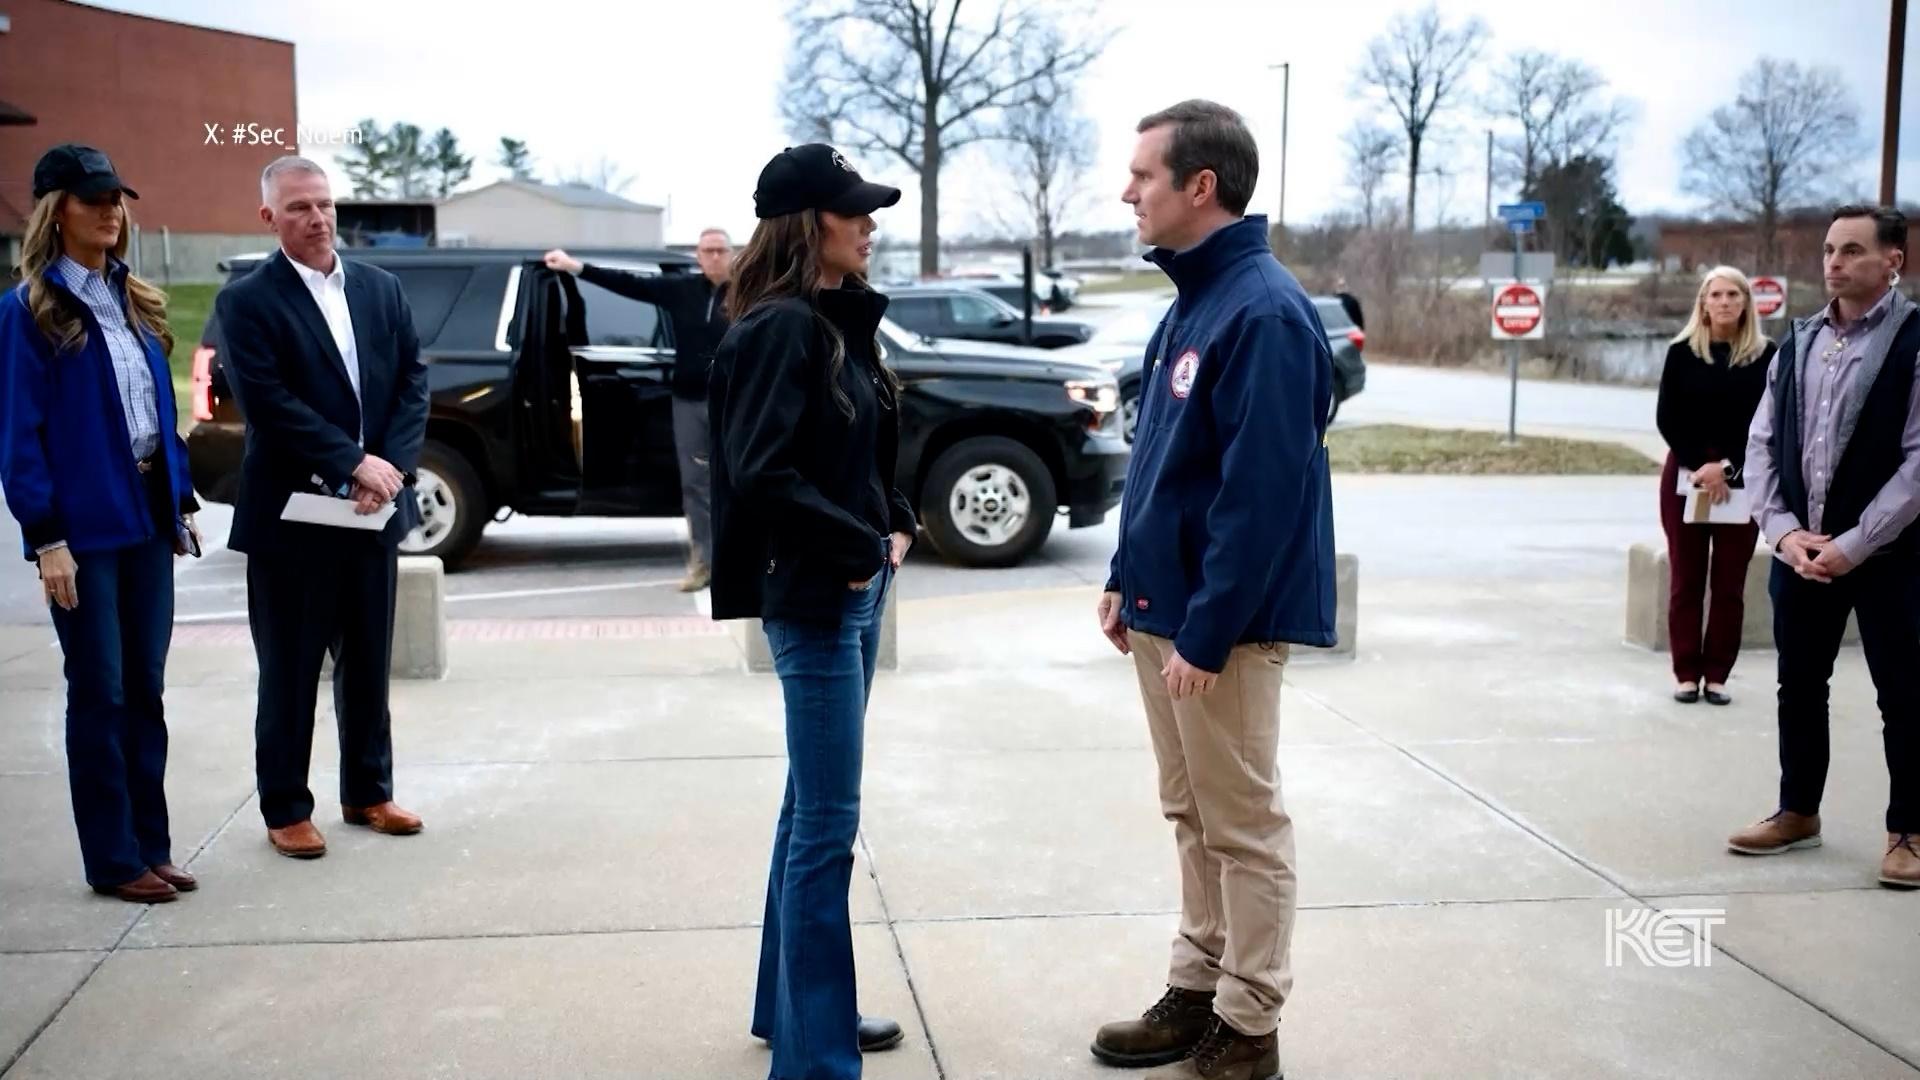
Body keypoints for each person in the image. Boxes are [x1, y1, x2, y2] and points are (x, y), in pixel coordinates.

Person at [1091, 101, 1336, 1080]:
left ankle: (1249, 1026)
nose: (1127, 191)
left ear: (1202, 185)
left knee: (1243, 826)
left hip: (1215, 632)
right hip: (1165, 613)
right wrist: (1123, 576)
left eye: (1143, 174)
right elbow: (1162, 459)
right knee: (1192, 816)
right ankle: (1196, 989)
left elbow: (1261, 499)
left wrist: (1206, 630)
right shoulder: (1193, 300)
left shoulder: (1264, 312)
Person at [708, 143, 915, 1079]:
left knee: (808, 812)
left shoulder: (834, 324)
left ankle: (789, 1014)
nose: (869, 224)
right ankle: (818, 1058)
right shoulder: (780, 330)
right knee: (826, 825)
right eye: (855, 211)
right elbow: (760, 475)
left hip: (851, 590)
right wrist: (860, 546)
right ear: (808, 224)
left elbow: (859, 454)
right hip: (818, 599)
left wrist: (898, 520)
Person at [0, 144, 202, 904]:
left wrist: (178, 502)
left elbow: (155, 415)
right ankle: (113, 859)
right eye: (93, 199)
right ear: (57, 210)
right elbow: (19, 438)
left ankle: (152, 845)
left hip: (146, 525)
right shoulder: (27, 314)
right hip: (81, 536)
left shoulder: (134, 300)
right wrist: (45, 538)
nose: (111, 210)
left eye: (116, 196)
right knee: (100, 692)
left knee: (145, 691)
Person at [214, 156, 430, 860]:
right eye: (300, 207)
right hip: (293, 521)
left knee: (368, 662)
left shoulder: (380, 288)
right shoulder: (248, 302)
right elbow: (270, 405)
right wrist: (350, 460)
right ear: (269, 217)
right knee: (291, 667)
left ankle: (368, 791)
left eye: (325, 204)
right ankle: (286, 807)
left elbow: (412, 383)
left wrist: (388, 468)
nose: (318, 218)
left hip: (371, 514)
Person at [1732, 205, 1920, 891]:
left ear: (1892, 260)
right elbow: (1761, 443)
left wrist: (1855, 543)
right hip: (1801, 553)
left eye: (1851, 251)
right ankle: (1797, 811)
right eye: (1829, 251)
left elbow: (1917, 463)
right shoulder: (1800, 340)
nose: (1833, 263)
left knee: (1904, 693)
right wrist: (1781, 532)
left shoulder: (1913, 339)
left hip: (1888, 557)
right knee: (1799, 688)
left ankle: (1908, 831)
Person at [543, 229, 732, 592]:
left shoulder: (747, 291)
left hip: (732, 402)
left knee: (736, 481)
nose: (714, 258)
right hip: (688, 399)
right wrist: (575, 267)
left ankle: (739, 563)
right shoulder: (681, 289)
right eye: (707, 251)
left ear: (731, 254)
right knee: (695, 486)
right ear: (698, 255)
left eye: (721, 251)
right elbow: (628, 283)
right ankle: (703, 563)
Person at [1655, 267, 1774, 706]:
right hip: (1685, 478)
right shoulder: (1682, 352)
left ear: (1745, 302)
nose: (1724, 302)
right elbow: (1668, 417)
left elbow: (1769, 424)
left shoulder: (1766, 356)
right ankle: (1686, 672)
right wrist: (1701, 465)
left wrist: (1727, 468)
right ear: (1703, 303)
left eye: (1732, 294)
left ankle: (1718, 675)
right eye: (1715, 294)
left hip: (1742, 482)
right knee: (1686, 579)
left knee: (1729, 584)